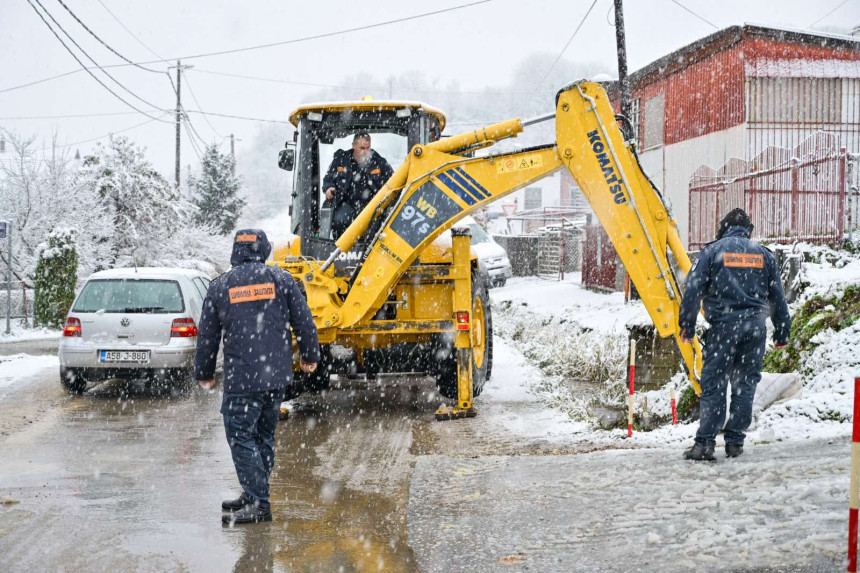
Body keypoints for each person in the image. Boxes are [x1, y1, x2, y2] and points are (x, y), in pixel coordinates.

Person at [194, 229, 320, 525]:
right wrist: (310, 356)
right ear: (263, 250)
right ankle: (253, 494)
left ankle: (259, 504)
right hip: (275, 377)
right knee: (263, 436)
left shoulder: (221, 285)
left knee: (240, 435)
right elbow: (304, 321)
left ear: (235, 252)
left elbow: (208, 335)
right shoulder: (283, 280)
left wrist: (204, 372)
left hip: (242, 379)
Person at [678, 208, 791, 462]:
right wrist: (782, 332)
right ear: (748, 230)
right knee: (745, 384)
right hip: (755, 331)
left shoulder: (712, 251)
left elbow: (693, 289)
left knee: (715, 384)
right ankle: (735, 443)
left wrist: (687, 324)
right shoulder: (764, 256)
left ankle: (705, 444)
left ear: (723, 228)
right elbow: (778, 298)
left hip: (723, 328)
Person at [322, 131, 394, 239]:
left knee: (375, 225)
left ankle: (369, 252)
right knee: (340, 220)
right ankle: (340, 248)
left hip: (372, 204)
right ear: (354, 145)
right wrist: (329, 188)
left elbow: (394, 183)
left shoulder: (379, 162)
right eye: (362, 148)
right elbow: (328, 179)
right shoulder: (341, 160)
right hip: (345, 203)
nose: (365, 152)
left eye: (367, 148)